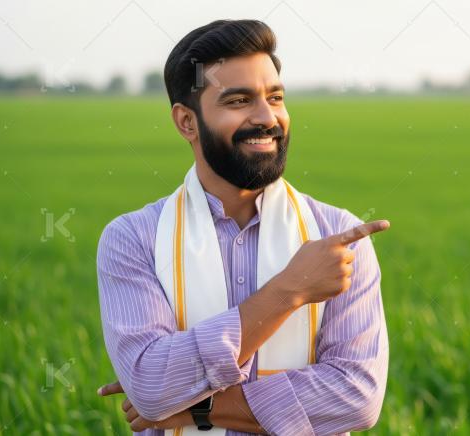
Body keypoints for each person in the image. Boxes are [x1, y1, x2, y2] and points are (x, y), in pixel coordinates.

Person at [95, 19, 390, 435]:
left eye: (276, 97)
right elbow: (151, 386)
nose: (267, 117)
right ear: (187, 122)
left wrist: (199, 408)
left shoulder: (339, 235)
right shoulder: (134, 240)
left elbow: (356, 397)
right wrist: (290, 290)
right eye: (238, 101)